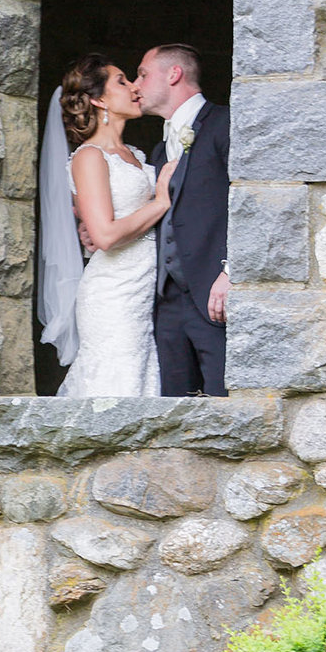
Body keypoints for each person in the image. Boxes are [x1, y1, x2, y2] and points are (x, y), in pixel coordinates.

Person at [38, 54, 175, 398]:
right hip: (113, 294)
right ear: (99, 100)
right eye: (122, 81)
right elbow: (105, 235)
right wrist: (160, 201)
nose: (134, 87)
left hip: (143, 290)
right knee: (117, 387)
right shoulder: (89, 156)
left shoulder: (136, 154)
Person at [135, 43, 230, 398]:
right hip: (167, 302)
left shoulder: (224, 123)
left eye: (143, 74)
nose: (135, 85)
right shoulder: (161, 150)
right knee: (172, 409)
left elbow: (252, 202)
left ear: (173, 74)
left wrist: (231, 270)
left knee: (225, 402)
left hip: (214, 295)